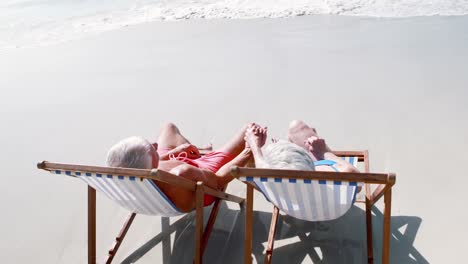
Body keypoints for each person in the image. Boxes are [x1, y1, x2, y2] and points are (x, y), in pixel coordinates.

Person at [106, 122, 260, 212]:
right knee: (249, 129)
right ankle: (251, 169)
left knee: (169, 127)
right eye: (150, 148)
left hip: (169, 171)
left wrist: (175, 152)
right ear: (150, 166)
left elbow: (155, 168)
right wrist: (250, 148)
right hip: (202, 173)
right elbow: (219, 181)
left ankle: (195, 150)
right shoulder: (182, 174)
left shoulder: (133, 179)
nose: (154, 144)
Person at [287, 120, 359, 173]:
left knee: (296, 125)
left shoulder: (285, 174)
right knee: (297, 125)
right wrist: (324, 152)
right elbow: (353, 177)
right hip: (319, 166)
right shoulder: (314, 169)